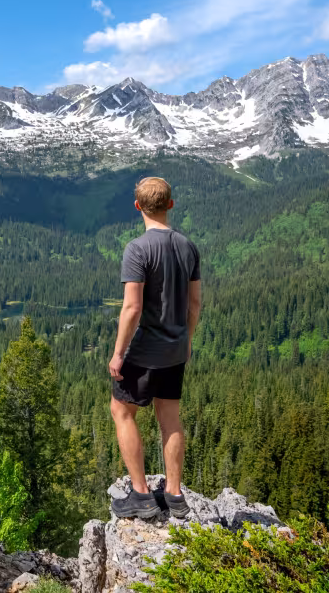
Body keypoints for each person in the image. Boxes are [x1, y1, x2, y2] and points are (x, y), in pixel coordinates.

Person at [107, 176, 201, 520]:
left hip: (146, 349)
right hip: (176, 348)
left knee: (122, 411)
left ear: (137, 207)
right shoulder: (188, 246)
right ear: (170, 205)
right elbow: (194, 304)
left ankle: (142, 495)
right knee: (170, 418)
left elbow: (132, 308)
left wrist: (118, 354)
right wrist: (186, 340)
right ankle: (175, 495)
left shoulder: (138, 249)